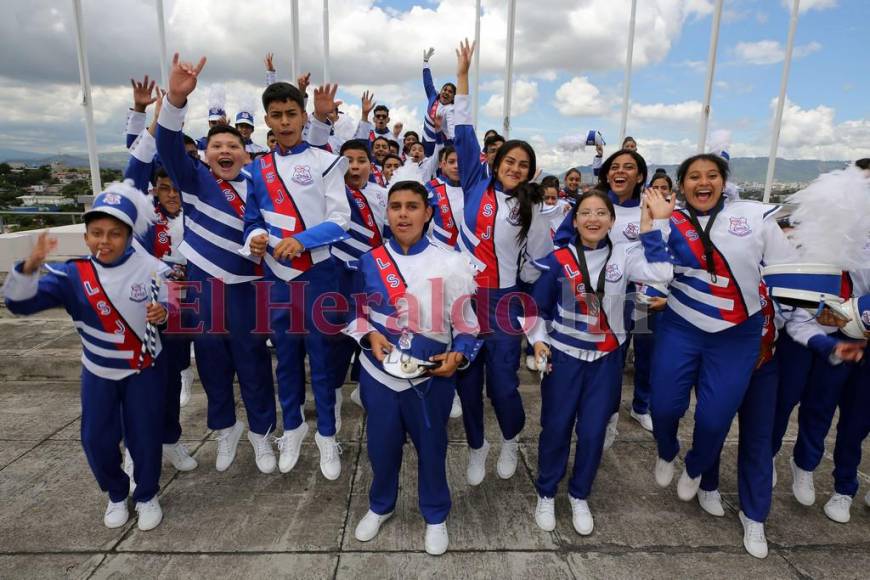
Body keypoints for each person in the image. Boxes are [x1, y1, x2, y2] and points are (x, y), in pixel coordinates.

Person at [649, 153, 799, 550]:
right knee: (663, 407)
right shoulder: (668, 219)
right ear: (681, 185)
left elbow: (788, 274)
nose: (703, 182)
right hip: (681, 327)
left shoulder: (755, 216)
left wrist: (816, 309)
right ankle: (667, 451)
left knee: (715, 418)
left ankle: (697, 467)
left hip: (738, 335)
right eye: (694, 177)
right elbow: (654, 270)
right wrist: (658, 221)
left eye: (711, 175)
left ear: (723, 181)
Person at [4, 182, 170, 532]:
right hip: (98, 372)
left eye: (114, 233)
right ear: (86, 237)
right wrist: (29, 267)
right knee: (96, 437)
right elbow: (19, 304)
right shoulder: (71, 275)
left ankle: (146, 494)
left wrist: (165, 313)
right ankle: (115, 492)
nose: (104, 241)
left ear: (129, 236)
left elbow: (178, 306)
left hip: (143, 370)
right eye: (96, 233)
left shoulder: (153, 267)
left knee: (145, 434)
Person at [157, 53, 278, 475]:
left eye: (233, 146)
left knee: (254, 364)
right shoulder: (193, 179)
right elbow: (168, 145)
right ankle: (226, 430)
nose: (225, 150)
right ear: (206, 154)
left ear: (247, 153)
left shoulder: (261, 183)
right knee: (211, 364)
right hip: (203, 287)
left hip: (248, 289)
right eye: (217, 146)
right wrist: (174, 99)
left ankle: (263, 436)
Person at [346, 180, 481, 556]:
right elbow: (352, 311)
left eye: (411, 206)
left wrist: (459, 355)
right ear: (386, 213)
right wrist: (369, 336)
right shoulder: (370, 260)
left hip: (430, 378)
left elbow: (468, 325)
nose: (403, 214)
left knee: (432, 448)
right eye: (395, 206)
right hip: (379, 374)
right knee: (380, 448)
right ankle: (380, 505)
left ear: (427, 213)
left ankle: (435, 515)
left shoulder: (450, 261)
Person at [528, 188, 674, 535]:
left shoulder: (624, 256)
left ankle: (579, 494)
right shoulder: (558, 257)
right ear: (574, 221)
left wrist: (653, 224)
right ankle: (547, 493)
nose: (593, 219)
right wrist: (537, 342)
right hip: (563, 358)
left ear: (611, 220)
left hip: (606, 360)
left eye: (600, 213)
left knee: (593, 432)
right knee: (556, 428)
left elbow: (662, 272)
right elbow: (535, 309)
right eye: (585, 213)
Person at [453, 39, 552, 485]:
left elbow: (538, 265)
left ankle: (510, 438)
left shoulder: (530, 207)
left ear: (530, 172)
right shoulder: (474, 181)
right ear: (495, 162)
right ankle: (478, 446)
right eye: (509, 160)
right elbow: (463, 132)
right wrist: (462, 79)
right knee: (466, 382)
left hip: (505, 302)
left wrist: (528, 311)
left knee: (504, 385)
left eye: (523, 164)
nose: (514, 167)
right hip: (463, 300)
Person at [242, 81, 351, 481]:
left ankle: (326, 435)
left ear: (305, 117)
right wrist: (253, 238)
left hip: (318, 272)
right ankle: (294, 428)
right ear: (267, 120)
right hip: (277, 275)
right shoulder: (257, 169)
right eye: (277, 115)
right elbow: (252, 219)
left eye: (292, 114)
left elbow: (341, 222)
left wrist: (300, 241)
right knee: (285, 360)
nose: (285, 122)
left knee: (321, 359)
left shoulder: (327, 160)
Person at [422, 47, 456, 142]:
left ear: (453, 97)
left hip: (442, 143)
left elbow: (451, 127)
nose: (446, 92)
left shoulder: (451, 109)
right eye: (445, 89)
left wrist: (455, 141)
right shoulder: (433, 98)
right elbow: (427, 82)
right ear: (440, 91)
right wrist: (425, 62)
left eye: (450, 92)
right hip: (426, 141)